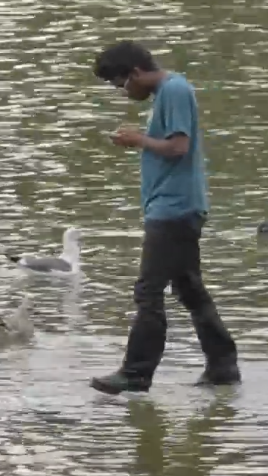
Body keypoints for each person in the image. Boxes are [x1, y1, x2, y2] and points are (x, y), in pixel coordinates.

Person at [89, 40, 241, 394]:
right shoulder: (170, 91)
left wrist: (139, 139)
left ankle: (136, 373)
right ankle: (223, 366)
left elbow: (178, 147)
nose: (122, 92)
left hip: (173, 209)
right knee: (189, 289)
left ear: (137, 73)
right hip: (177, 206)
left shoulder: (173, 90)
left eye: (121, 84)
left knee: (148, 291)